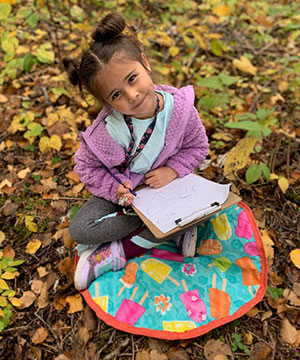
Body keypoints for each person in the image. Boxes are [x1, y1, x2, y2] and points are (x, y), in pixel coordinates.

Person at [64, 12, 209, 290]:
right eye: (116, 95)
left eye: (132, 79)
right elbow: (86, 167)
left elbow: (197, 147)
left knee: (205, 207)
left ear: (145, 62)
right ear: (106, 102)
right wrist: (116, 187)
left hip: (167, 190)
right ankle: (170, 231)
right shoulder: (107, 131)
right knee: (80, 229)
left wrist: (172, 170)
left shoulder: (180, 111)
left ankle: (117, 253)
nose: (131, 95)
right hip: (127, 200)